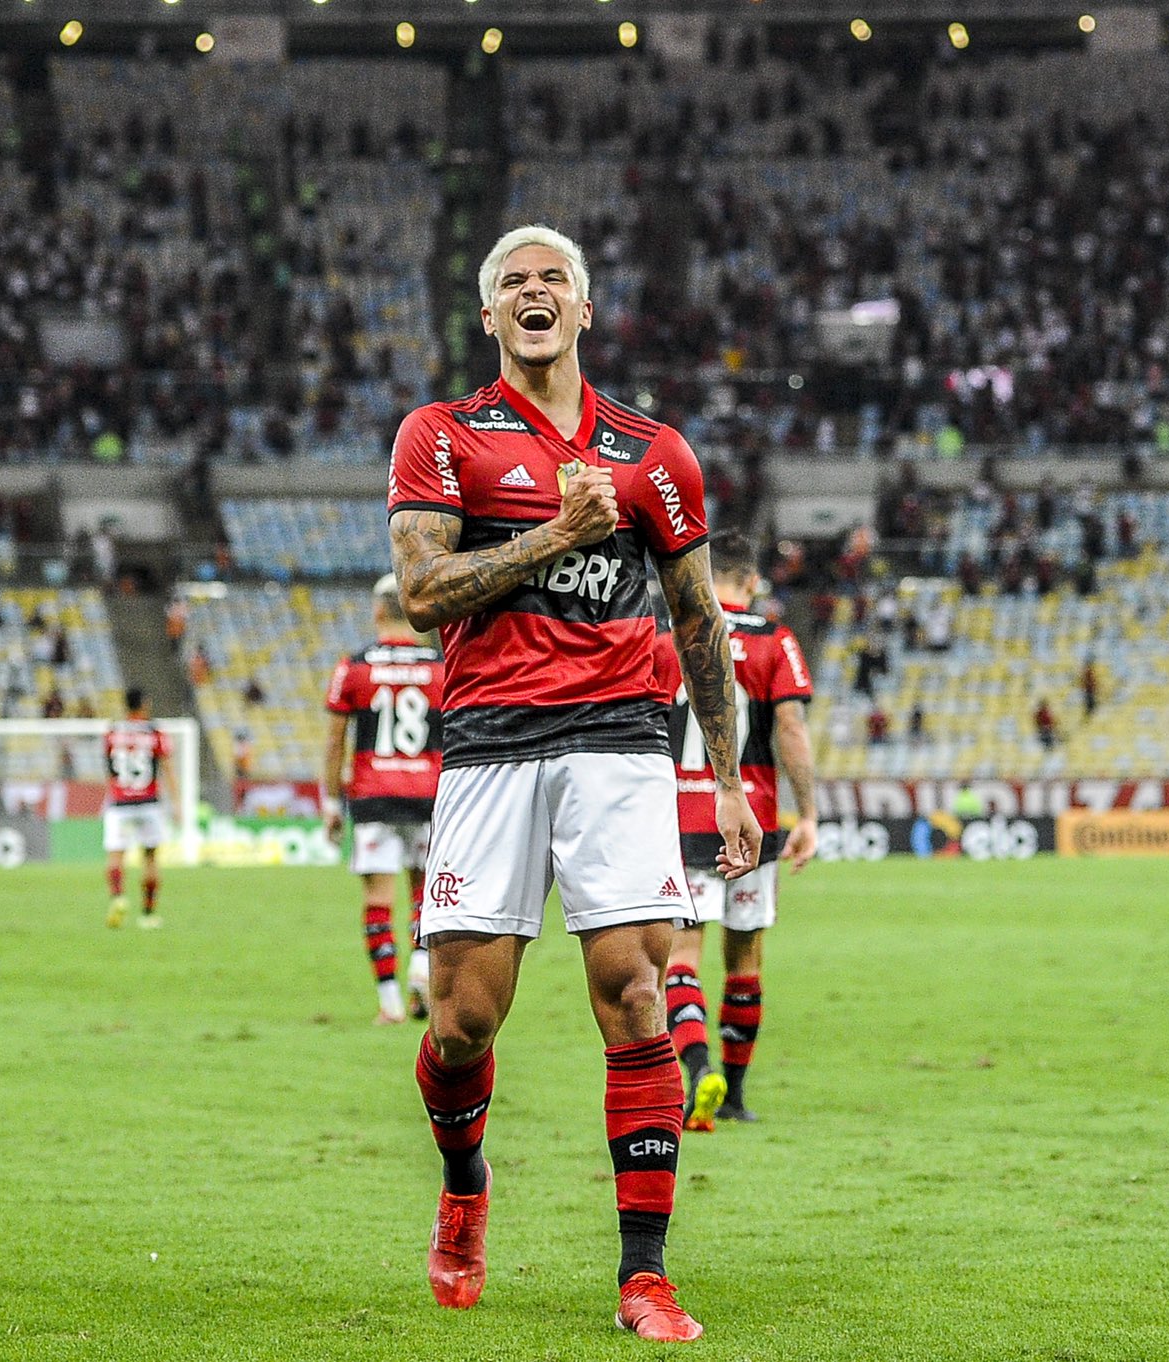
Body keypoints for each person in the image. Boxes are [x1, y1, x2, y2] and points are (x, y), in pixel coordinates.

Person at [386, 224, 758, 1341]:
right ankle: (463, 1186)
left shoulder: (654, 453)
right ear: (489, 317)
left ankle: (641, 1275)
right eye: (513, 283)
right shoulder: (441, 435)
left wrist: (728, 780)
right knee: (460, 1022)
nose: (533, 293)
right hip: (489, 746)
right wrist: (556, 532)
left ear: (583, 312)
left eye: (554, 280)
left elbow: (696, 622)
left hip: (620, 748)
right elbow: (422, 593)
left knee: (637, 992)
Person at [653, 531, 818, 1131]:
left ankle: (696, 1069)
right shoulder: (775, 640)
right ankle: (736, 1093)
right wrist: (811, 814)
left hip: (679, 819)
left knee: (681, 957)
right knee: (744, 955)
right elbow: (792, 732)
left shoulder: (669, 634)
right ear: (751, 580)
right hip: (754, 819)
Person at [322, 574, 445, 1024]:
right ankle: (419, 966)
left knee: (378, 898)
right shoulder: (440, 668)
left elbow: (335, 741)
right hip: (429, 796)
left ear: (377, 612)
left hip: (373, 796)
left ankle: (391, 1003)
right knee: (426, 893)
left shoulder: (353, 667)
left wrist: (332, 801)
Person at [102, 688, 173, 930]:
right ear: (144, 704)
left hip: (119, 802)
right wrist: (176, 800)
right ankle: (148, 914)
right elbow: (167, 768)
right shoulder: (155, 732)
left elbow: (109, 769)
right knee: (151, 857)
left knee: (116, 855)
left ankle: (118, 896)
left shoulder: (113, 731)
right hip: (149, 802)